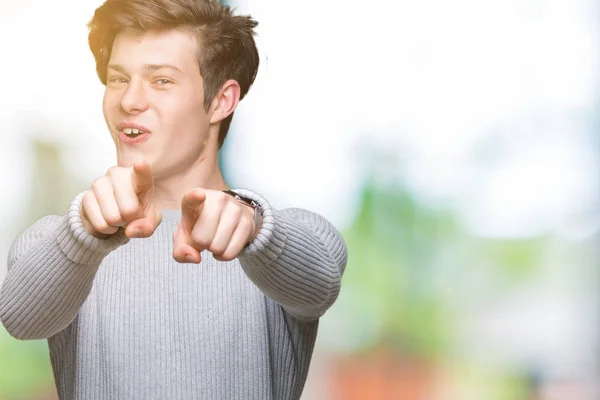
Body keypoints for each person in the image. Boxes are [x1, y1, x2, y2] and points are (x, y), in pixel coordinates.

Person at [0, 0, 348, 399]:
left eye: (161, 80)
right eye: (118, 79)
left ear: (221, 100)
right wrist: (82, 237)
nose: (129, 101)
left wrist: (252, 229)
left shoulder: (286, 236)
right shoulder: (58, 241)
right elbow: (20, 321)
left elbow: (320, 284)